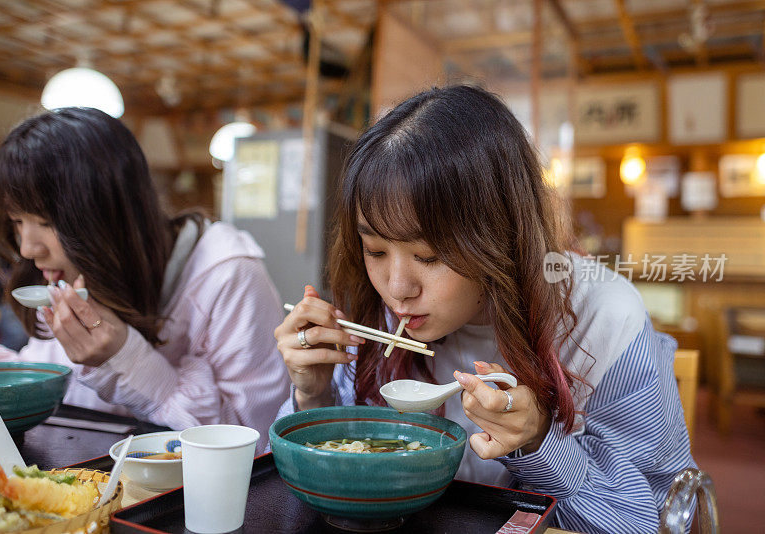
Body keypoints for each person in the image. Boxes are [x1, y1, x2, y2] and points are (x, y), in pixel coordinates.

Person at [273, 85, 695, 532]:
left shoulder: (603, 318)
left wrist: (537, 442)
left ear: (497, 235)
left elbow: (663, 518)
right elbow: (329, 485)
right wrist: (312, 395)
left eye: (429, 256)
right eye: (376, 251)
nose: (397, 288)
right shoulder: (376, 308)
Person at [0, 107, 289, 454]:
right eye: (17, 221)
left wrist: (126, 358)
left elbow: (256, 442)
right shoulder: (80, 277)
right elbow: (47, 372)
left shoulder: (229, 277)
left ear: (110, 216)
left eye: (45, 223)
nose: (28, 249)